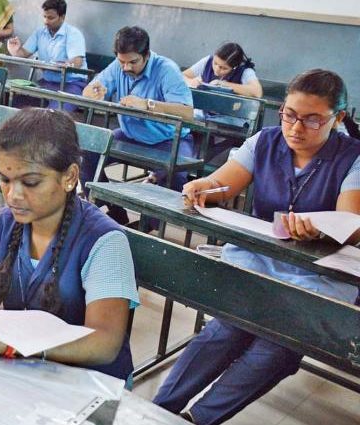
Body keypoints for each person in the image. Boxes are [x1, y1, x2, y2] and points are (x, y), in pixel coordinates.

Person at [153, 69, 360, 425]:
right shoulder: (264, 141)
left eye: (312, 120)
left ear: (337, 118)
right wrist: (204, 187)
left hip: (318, 276)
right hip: (261, 259)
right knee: (226, 328)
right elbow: (222, 184)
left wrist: (322, 229)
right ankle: (157, 410)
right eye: (289, 115)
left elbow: (350, 222)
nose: (296, 128)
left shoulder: (352, 156)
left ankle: (196, 420)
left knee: (278, 346)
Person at [0, 108, 139, 384]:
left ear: (70, 177)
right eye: (5, 179)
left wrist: (10, 345)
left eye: (30, 182)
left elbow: (105, 344)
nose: (13, 195)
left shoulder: (105, 242)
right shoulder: (8, 221)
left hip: (90, 383)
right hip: (29, 368)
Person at [81, 26, 193, 224]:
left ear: (146, 55)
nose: (126, 67)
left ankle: (146, 228)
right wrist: (92, 93)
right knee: (89, 151)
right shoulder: (118, 65)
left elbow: (187, 112)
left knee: (176, 174)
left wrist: (148, 104)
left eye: (133, 62)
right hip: (130, 134)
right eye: (122, 62)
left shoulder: (167, 69)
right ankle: (114, 212)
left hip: (169, 139)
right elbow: (90, 90)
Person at [6, 0, 88, 112]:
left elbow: (77, 62)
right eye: (44, 17)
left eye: (51, 18)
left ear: (62, 17)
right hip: (47, 83)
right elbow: (23, 53)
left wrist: (60, 65)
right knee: (17, 104)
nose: (46, 21)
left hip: (71, 85)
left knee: (54, 114)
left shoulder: (73, 34)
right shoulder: (40, 32)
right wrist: (15, 51)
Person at [183, 42, 262, 98]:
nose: (217, 69)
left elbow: (257, 92)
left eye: (224, 68)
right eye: (215, 63)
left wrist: (223, 84)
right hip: (205, 110)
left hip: (231, 114)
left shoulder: (245, 71)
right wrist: (191, 81)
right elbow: (181, 75)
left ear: (234, 67)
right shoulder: (208, 61)